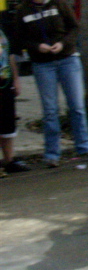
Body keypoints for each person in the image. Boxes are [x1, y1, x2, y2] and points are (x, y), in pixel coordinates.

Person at [13, 0, 88, 167]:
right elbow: (20, 38)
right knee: (50, 110)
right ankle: (52, 153)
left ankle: (84, 145)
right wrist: (36, 47)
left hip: (67, 59)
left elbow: (74, 27)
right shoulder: (23, 11)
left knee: (76, 105)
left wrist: (63, 44)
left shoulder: (58, 1)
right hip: (43, 64)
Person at [0, 27, 30, 176]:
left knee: (7, 121)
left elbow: (9, 54)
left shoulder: (2, 30)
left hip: (5, 82)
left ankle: (8, 161)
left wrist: (16, 78)